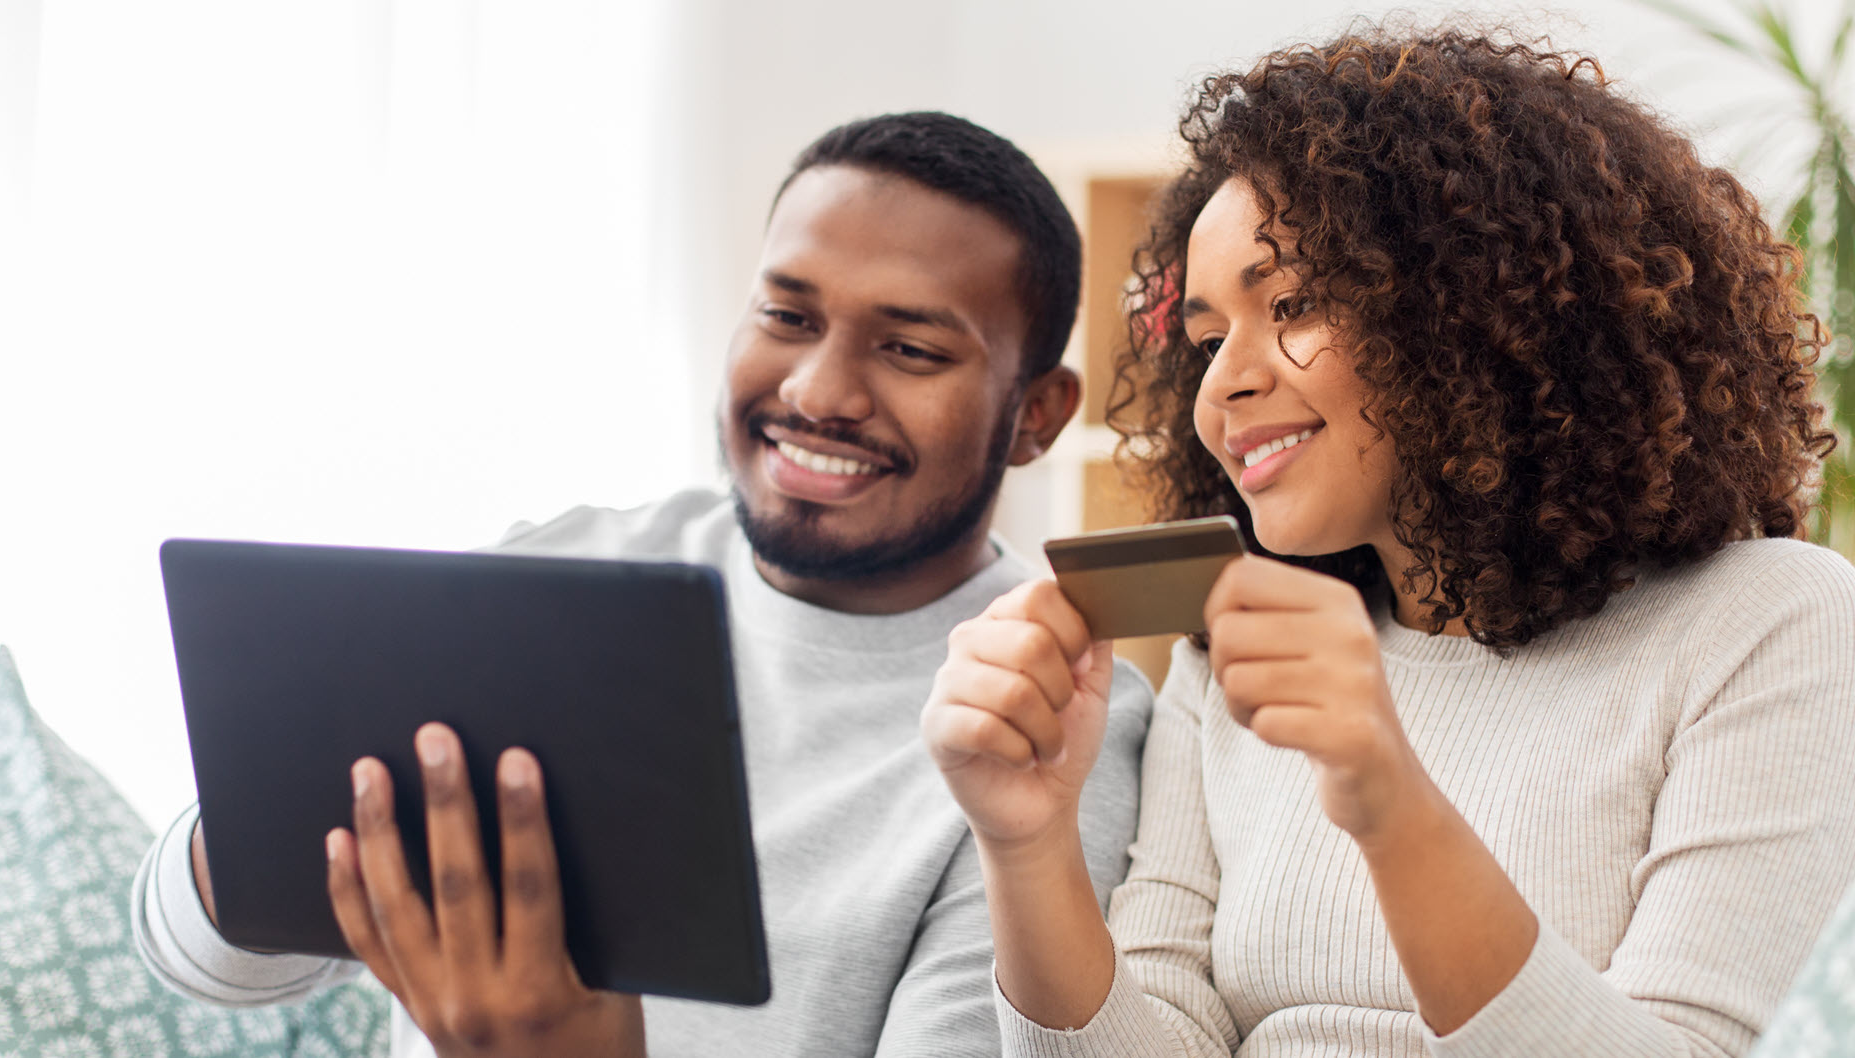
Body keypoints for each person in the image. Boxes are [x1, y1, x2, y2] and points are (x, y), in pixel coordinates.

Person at [130, 111, 1153, 1058]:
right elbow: (211, 956)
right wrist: (295, 780)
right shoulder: (558, 569)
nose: (818, 390)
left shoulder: (1050, 707)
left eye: (910, 349)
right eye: (786, 315)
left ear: (1036, 415)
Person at [922, 26, 1855, 1058]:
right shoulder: (1227, 662)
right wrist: (1026, 844)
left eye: (1291, 304)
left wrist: (1390, 802)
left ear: (1474, 304)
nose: (1221, 385)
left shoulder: (1770, 622)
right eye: (1206, 339)